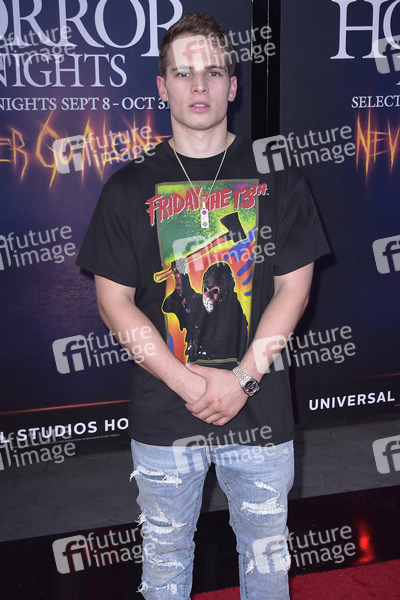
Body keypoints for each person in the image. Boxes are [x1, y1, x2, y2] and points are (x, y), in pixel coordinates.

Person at [76, 11, 330, 600]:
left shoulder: (279, 177)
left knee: (266, 568)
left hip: (259, 411)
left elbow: (294, 289)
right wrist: (188, 383)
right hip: (167, 416)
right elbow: (114, 304)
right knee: (165, 566)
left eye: (213, 72)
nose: (198, 85)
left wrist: (242, 379)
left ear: (232, 86)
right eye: (183, 72)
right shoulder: (128, 187)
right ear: (162, 86)